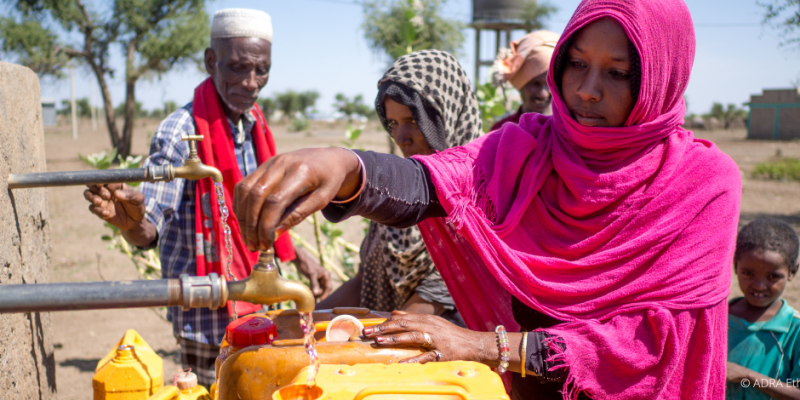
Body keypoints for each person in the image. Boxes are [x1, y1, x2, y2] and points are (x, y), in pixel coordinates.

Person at [233, 0, 741, 398]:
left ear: (660, 79)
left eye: (618, 73)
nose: (586, 90)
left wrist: (484, 345)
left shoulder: (702, 185)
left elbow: (651, 345)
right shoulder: (527, 147)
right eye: (578, 64)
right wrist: (346, 166)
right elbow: (433, 183)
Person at [82, 8, 330, 386]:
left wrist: (301, 260)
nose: (251, 82)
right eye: (238, 68)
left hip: (262, 303)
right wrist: (131, 222)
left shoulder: (255, 123)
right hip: (207, 315)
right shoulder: (180, 131)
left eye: (261, 70)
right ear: (211, 62)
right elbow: (149, 229)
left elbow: (257, 215)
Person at [316, 50, 481, 324]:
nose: (401, 137)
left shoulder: (475, 199)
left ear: (447, 115)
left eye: (413, 121)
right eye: (393, 123)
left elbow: (430, 302)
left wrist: (362, 340)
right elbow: (362, 282)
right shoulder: (397, 195)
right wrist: (301, 322)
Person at [727, 218, 800, 400]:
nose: (759, 286)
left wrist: (747, 376)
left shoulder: (794, 330)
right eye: (748, 273)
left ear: (792, 271)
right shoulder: (717, 318)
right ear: (736, 265)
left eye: (772, 276)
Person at [490, 30, 560, 131]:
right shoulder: (500, 131)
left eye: (549, 84)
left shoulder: (570, 133)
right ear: (521, 84)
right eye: (536, 84)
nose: (543, 94)